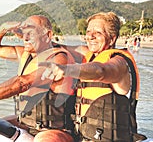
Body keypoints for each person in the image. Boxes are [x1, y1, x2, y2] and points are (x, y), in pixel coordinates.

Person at [0, 15, 77, 142]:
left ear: (47, 35)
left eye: (31, 33)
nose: (25, 38)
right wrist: (3, 28)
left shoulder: (59, 59)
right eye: (24, 33)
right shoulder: (25, 54)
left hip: (54, 130)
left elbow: (24, 82)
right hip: (25, 122)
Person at [40, 12, 146, 141]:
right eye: (88, 31)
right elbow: (55, 47)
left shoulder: (120, 63)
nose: (90, 36)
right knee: (47, 137)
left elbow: (100, 71)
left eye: (98, 33)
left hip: (111, 138)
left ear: (112, 38)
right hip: (82, 134)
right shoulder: (87, 54)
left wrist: (67, 69)